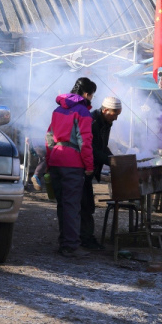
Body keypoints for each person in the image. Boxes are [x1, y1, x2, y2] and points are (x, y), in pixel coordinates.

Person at [46, 77, 96, 257]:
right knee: (72, 206)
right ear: (86, 94)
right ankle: (71, 246)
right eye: (92, 95)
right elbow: (85, 141)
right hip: (73, 164)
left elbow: (49, 137)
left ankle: (64, 243)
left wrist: (48, 160)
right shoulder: (83, 111)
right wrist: (89, 166)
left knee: (62, 205)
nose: (92, 98)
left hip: (56, 161)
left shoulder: (58, 109)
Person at [79, 96, 121, 250]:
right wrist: (110, 161)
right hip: (83, 168)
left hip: (90, 169)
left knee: (86, 204)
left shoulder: (106, 122)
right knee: (86, 205)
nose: (116, 118)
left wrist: (112, 158)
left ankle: (84, 237)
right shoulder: (92, 122)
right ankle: (85, 239)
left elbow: (102, 146)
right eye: (114, 114)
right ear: (105, 110)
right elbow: (91, 148)